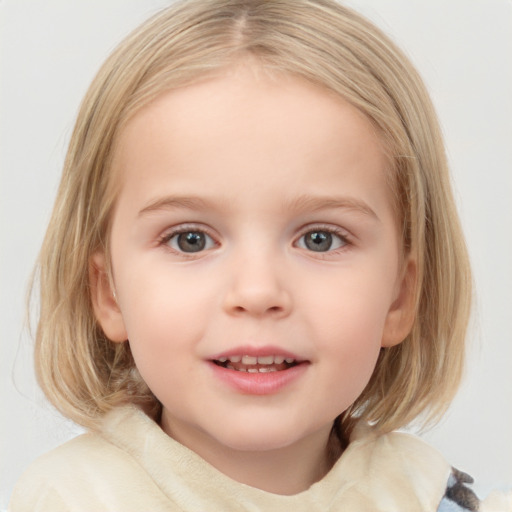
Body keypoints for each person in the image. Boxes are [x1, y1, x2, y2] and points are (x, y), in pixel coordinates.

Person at [8, 0, 511, 510]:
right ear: (108, 293)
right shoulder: (78, 499)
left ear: (400, 296)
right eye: (191, 239)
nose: (256, 291)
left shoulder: (424, 493)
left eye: (320, 238)